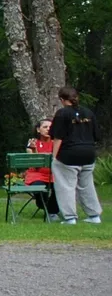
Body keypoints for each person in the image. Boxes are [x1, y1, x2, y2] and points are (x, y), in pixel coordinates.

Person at [49, 86, 101, 225]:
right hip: (89, 153)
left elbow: (58, 137)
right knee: (87, 185)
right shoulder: (88, 112)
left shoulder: (62, 114)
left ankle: (70, 217)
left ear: (61, 99)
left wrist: (54, 157)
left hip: (69, 155)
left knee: (66, 185)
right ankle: (94, 215)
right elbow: (96, 135)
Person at [25, 118, 58, 221]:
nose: (48, 129)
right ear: (38, 130)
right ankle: (45, 207)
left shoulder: (56, 143)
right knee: (39, 188)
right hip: (36, 175)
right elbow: (35, 165)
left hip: (53, 174)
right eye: (45, 127)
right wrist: (34, 149)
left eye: (50, 127)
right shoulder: (33, 143)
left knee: (60, 186)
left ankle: (52, 211)